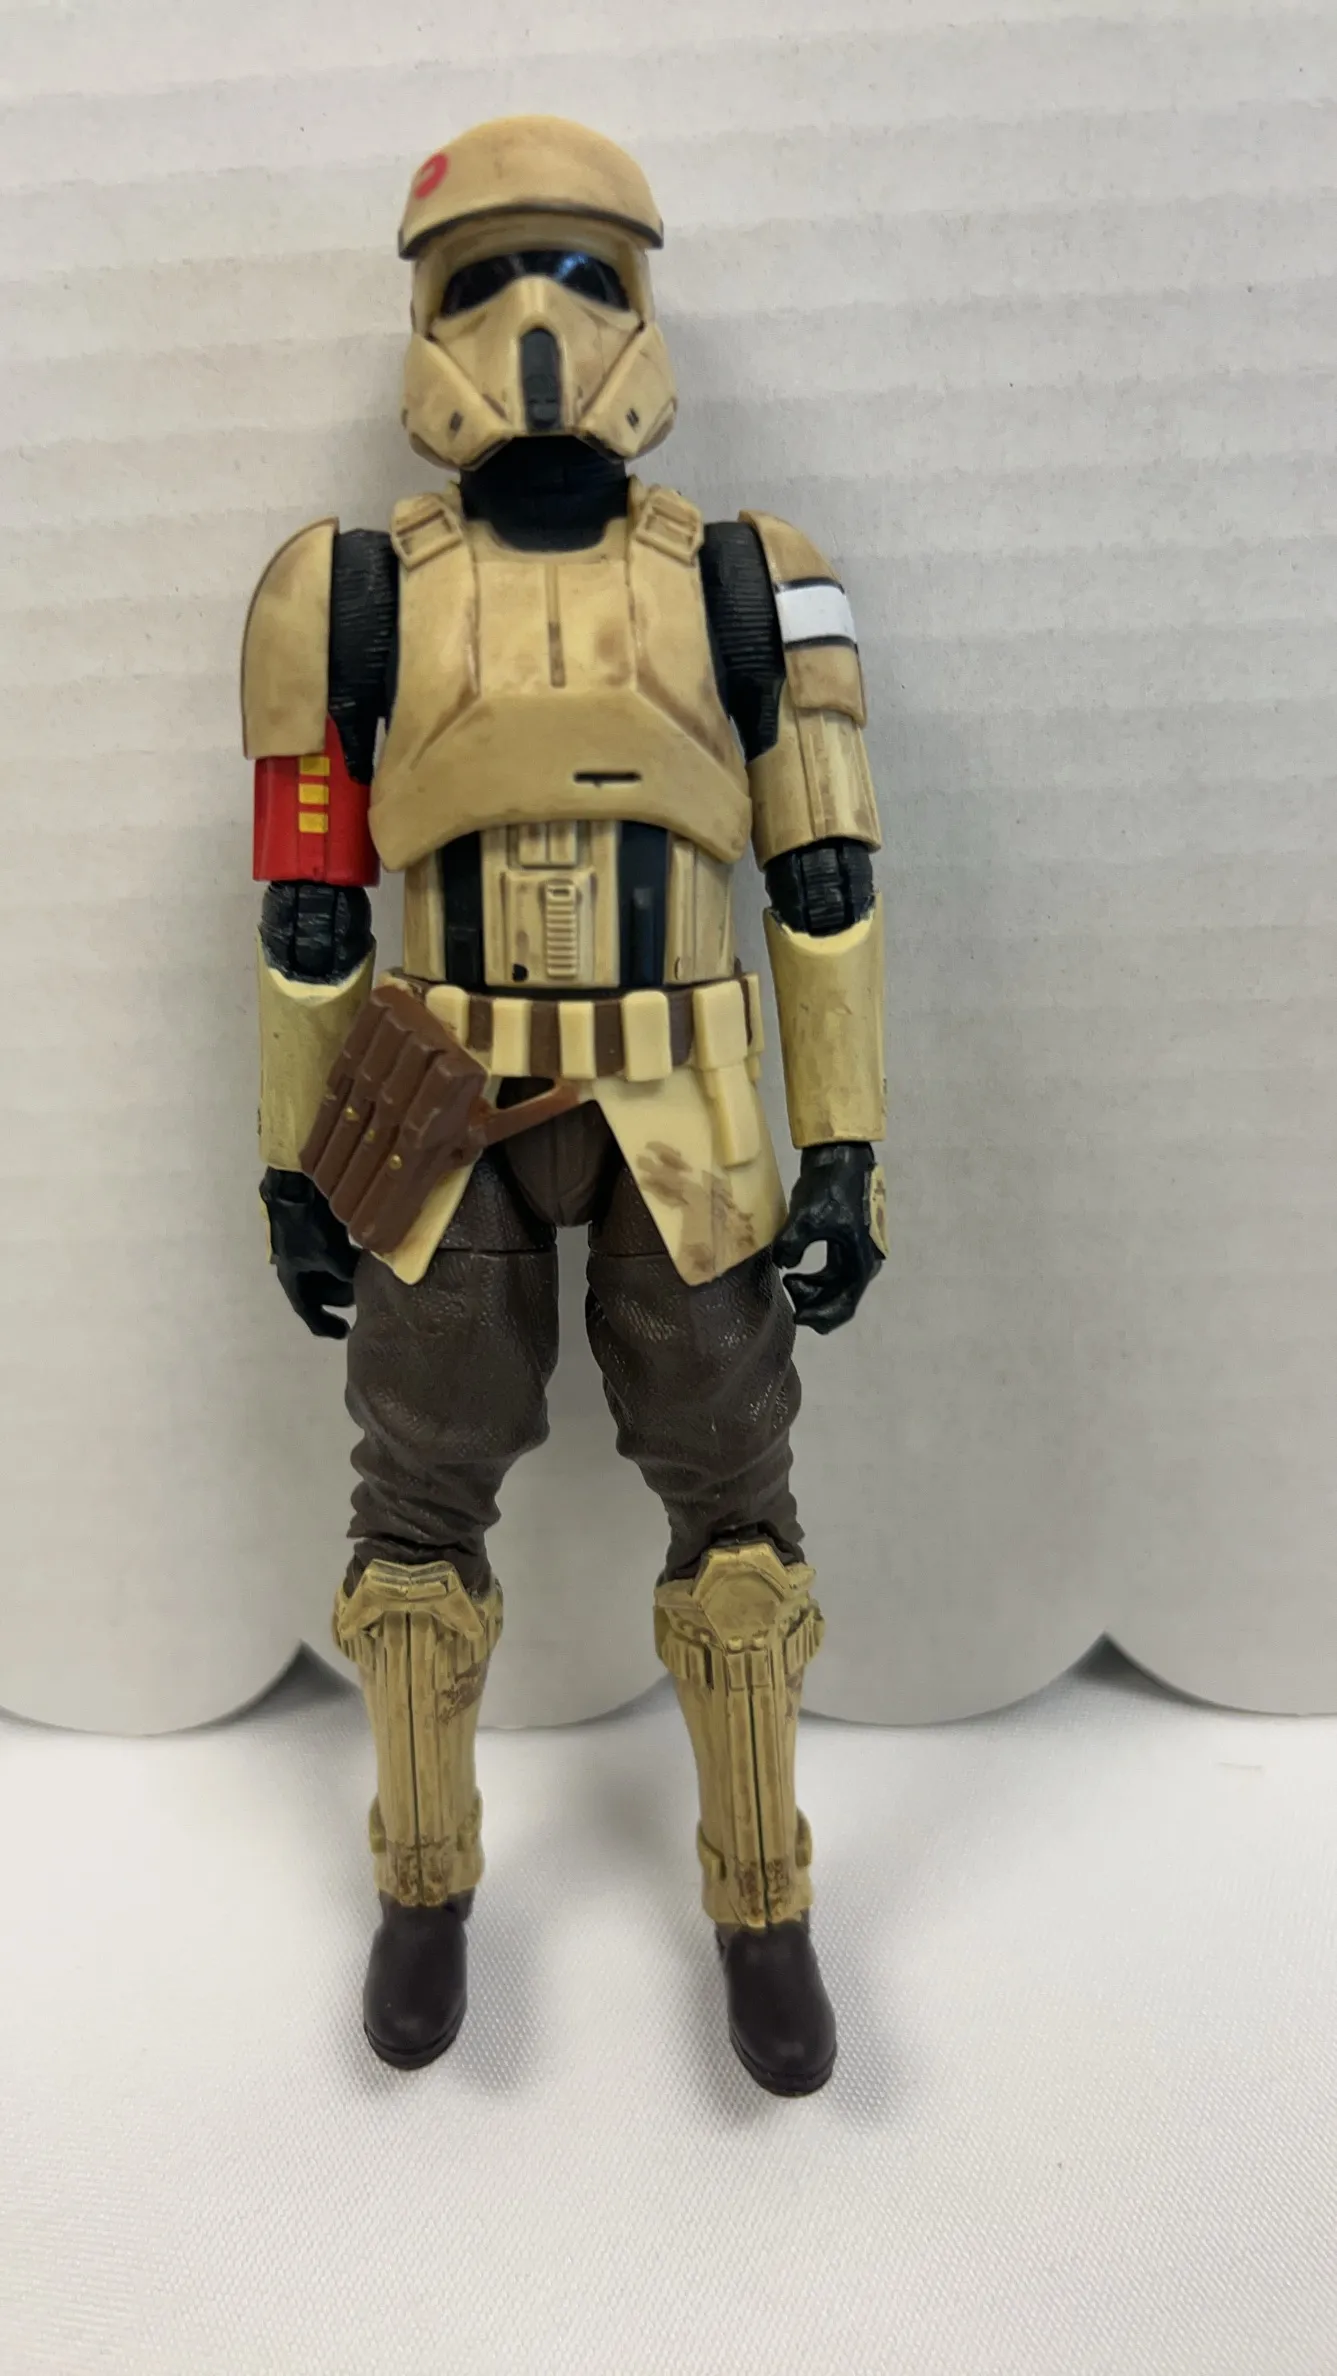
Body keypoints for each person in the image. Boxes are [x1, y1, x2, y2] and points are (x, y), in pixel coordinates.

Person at [243, 115, 886, 2095]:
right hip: (441, 1108)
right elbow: (305, 905)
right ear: (425, 306)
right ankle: (423, 1883)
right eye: (488, 271)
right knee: (412, 1536)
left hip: (683, 1106)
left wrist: (846, 1146)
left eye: (587, 270)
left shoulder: (753, 584)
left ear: (645, 296)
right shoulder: (347, 595)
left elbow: (825, 882)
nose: (538, 320)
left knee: (738, 1524)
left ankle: (761, 1902)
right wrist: (295, 1159)